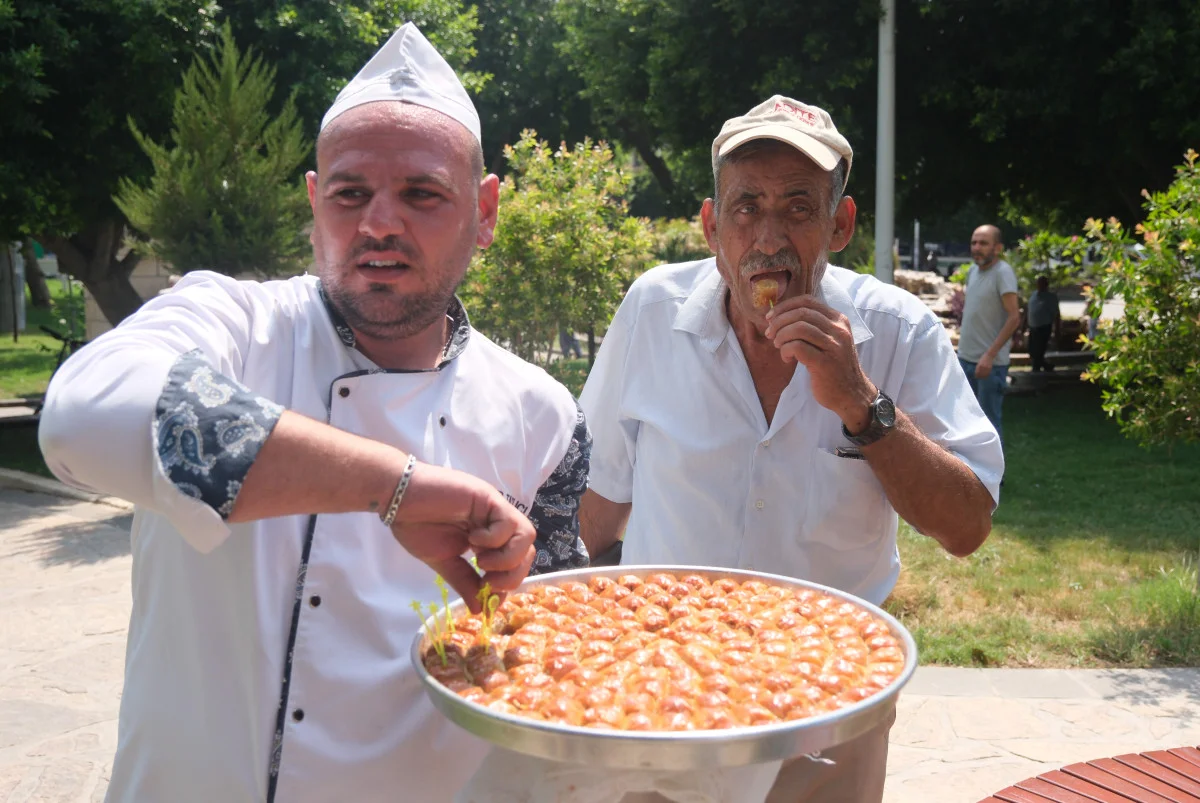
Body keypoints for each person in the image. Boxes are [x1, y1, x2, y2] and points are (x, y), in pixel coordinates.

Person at [37, 24, 589, 803]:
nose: (379, 224)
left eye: (423, 193)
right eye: (349, 193)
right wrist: (397, 486)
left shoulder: (543, 414)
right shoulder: (230, 322)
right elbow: (79, 417)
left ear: (486, 210)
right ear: (313, 202)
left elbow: (554, 657)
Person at [577, 95, 1003, 803]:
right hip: (661, 698)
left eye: (798, 209)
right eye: (746, 208)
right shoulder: (652, 312)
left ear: (840, 225)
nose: (768, 239)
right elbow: (596, 508)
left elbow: (968, 525)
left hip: (829, 706)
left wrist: (861, 405)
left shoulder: (896, 332)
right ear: (713, 227)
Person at [957, 224, 1021, 442]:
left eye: (983, 243)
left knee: (989, 425)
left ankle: (995, 477)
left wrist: (989, 356)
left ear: (997, 247)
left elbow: (1014, 317)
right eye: (974, 242)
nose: (977, 247)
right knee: (964, 422)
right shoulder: (973, 272)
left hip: (989, 366)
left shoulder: (1003, 273)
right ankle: (971, 474)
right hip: (965, 359)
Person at [1025, 275, 1061, 371]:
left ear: (1046, 284)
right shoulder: (1033, 295)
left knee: (1038, 351)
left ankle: (1036, 369)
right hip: (1033, 327)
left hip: (1043, 327)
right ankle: (1046, 366)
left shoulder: (1051, 297)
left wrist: (1057, 329)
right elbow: (1028, 310)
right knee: (1032, 350)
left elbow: (1056, 314)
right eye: (1038, 283)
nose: (1040, 285)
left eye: (1042, 283)